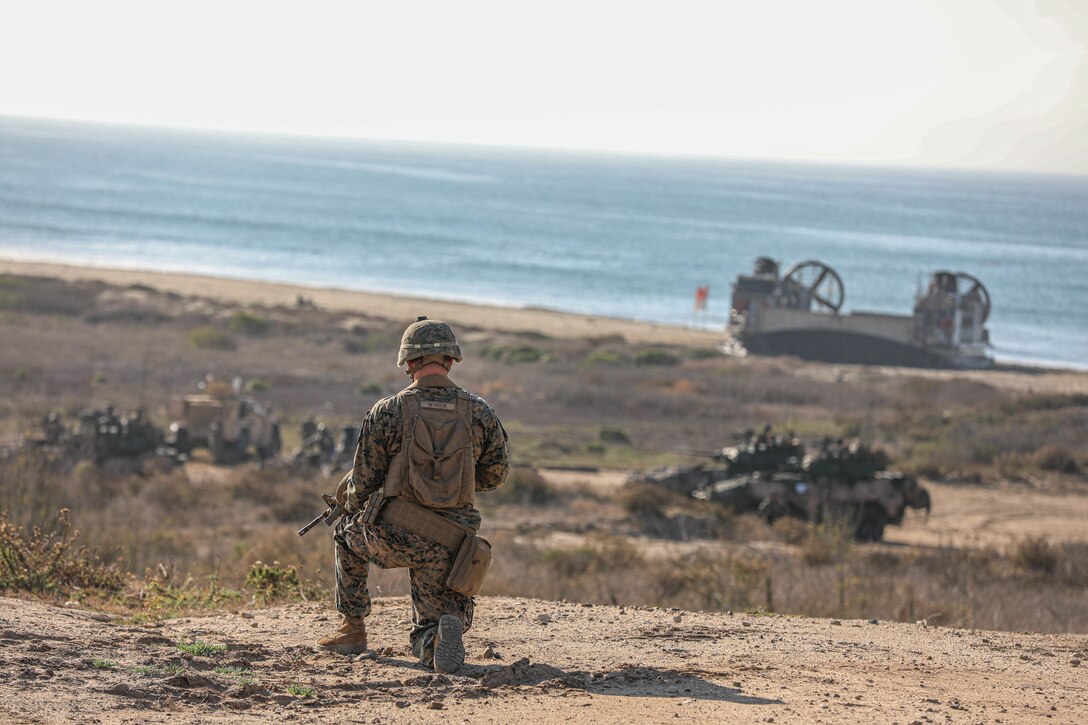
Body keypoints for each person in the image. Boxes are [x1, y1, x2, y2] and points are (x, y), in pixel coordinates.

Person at [316, 317, 509, 674]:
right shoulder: (479, 412)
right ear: (451, 361)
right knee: (435, 617)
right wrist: (456, 483)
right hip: (452, 543)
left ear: (408, 363)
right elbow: (496, 474)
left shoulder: (386, 411)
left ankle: (352, 629)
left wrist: (353, 501)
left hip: (394, 535)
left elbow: (363, 484)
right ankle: (436, 639)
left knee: (345, 534)